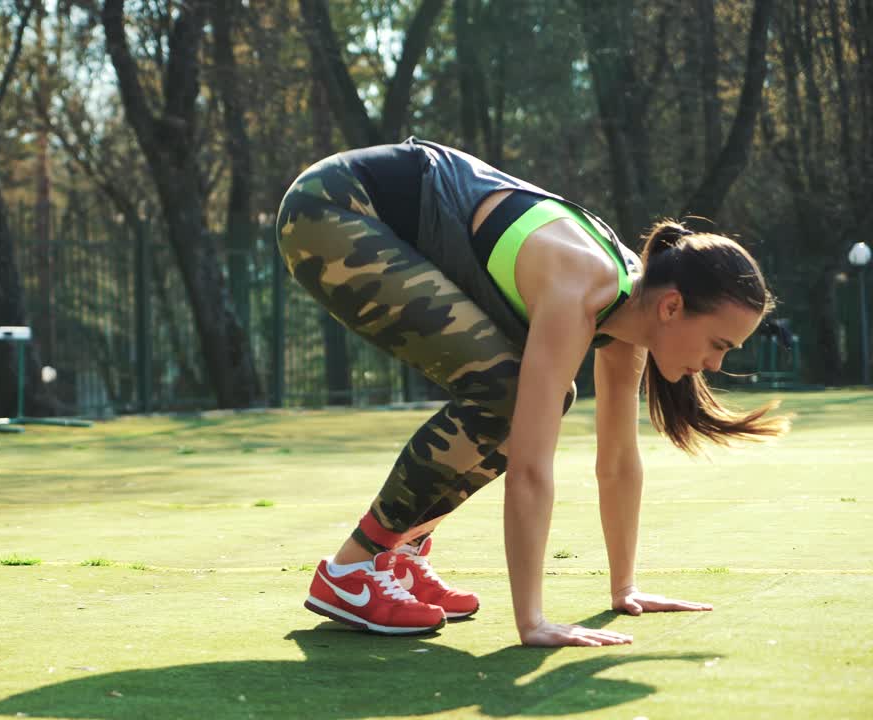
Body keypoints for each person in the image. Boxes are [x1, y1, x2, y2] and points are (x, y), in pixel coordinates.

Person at [275, 138, 789, 646]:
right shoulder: (583, 288)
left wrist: (625, 587)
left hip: (367, 213)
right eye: (720, 344)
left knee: (526, 393)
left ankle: (400, 552)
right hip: (332, 209)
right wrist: (533, 621)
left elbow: (617, 460)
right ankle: (353, 568)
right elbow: (530, 468)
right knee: (505, 390)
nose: (717, 364)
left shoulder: (630, 314)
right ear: (673, 307)